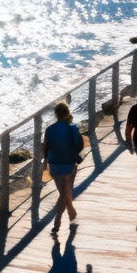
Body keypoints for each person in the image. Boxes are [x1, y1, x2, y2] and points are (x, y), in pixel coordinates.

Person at [42, 101, 84, 235]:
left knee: (63, 194)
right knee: (66, 194)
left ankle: (58, 222)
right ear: (67, 113)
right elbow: (79, 146)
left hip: (54, 167)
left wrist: (45, 164)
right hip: (68, 165)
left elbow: (46, 149)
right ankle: (62, 217)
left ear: (56, 114)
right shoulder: (72, 128)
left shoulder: (49, 130)